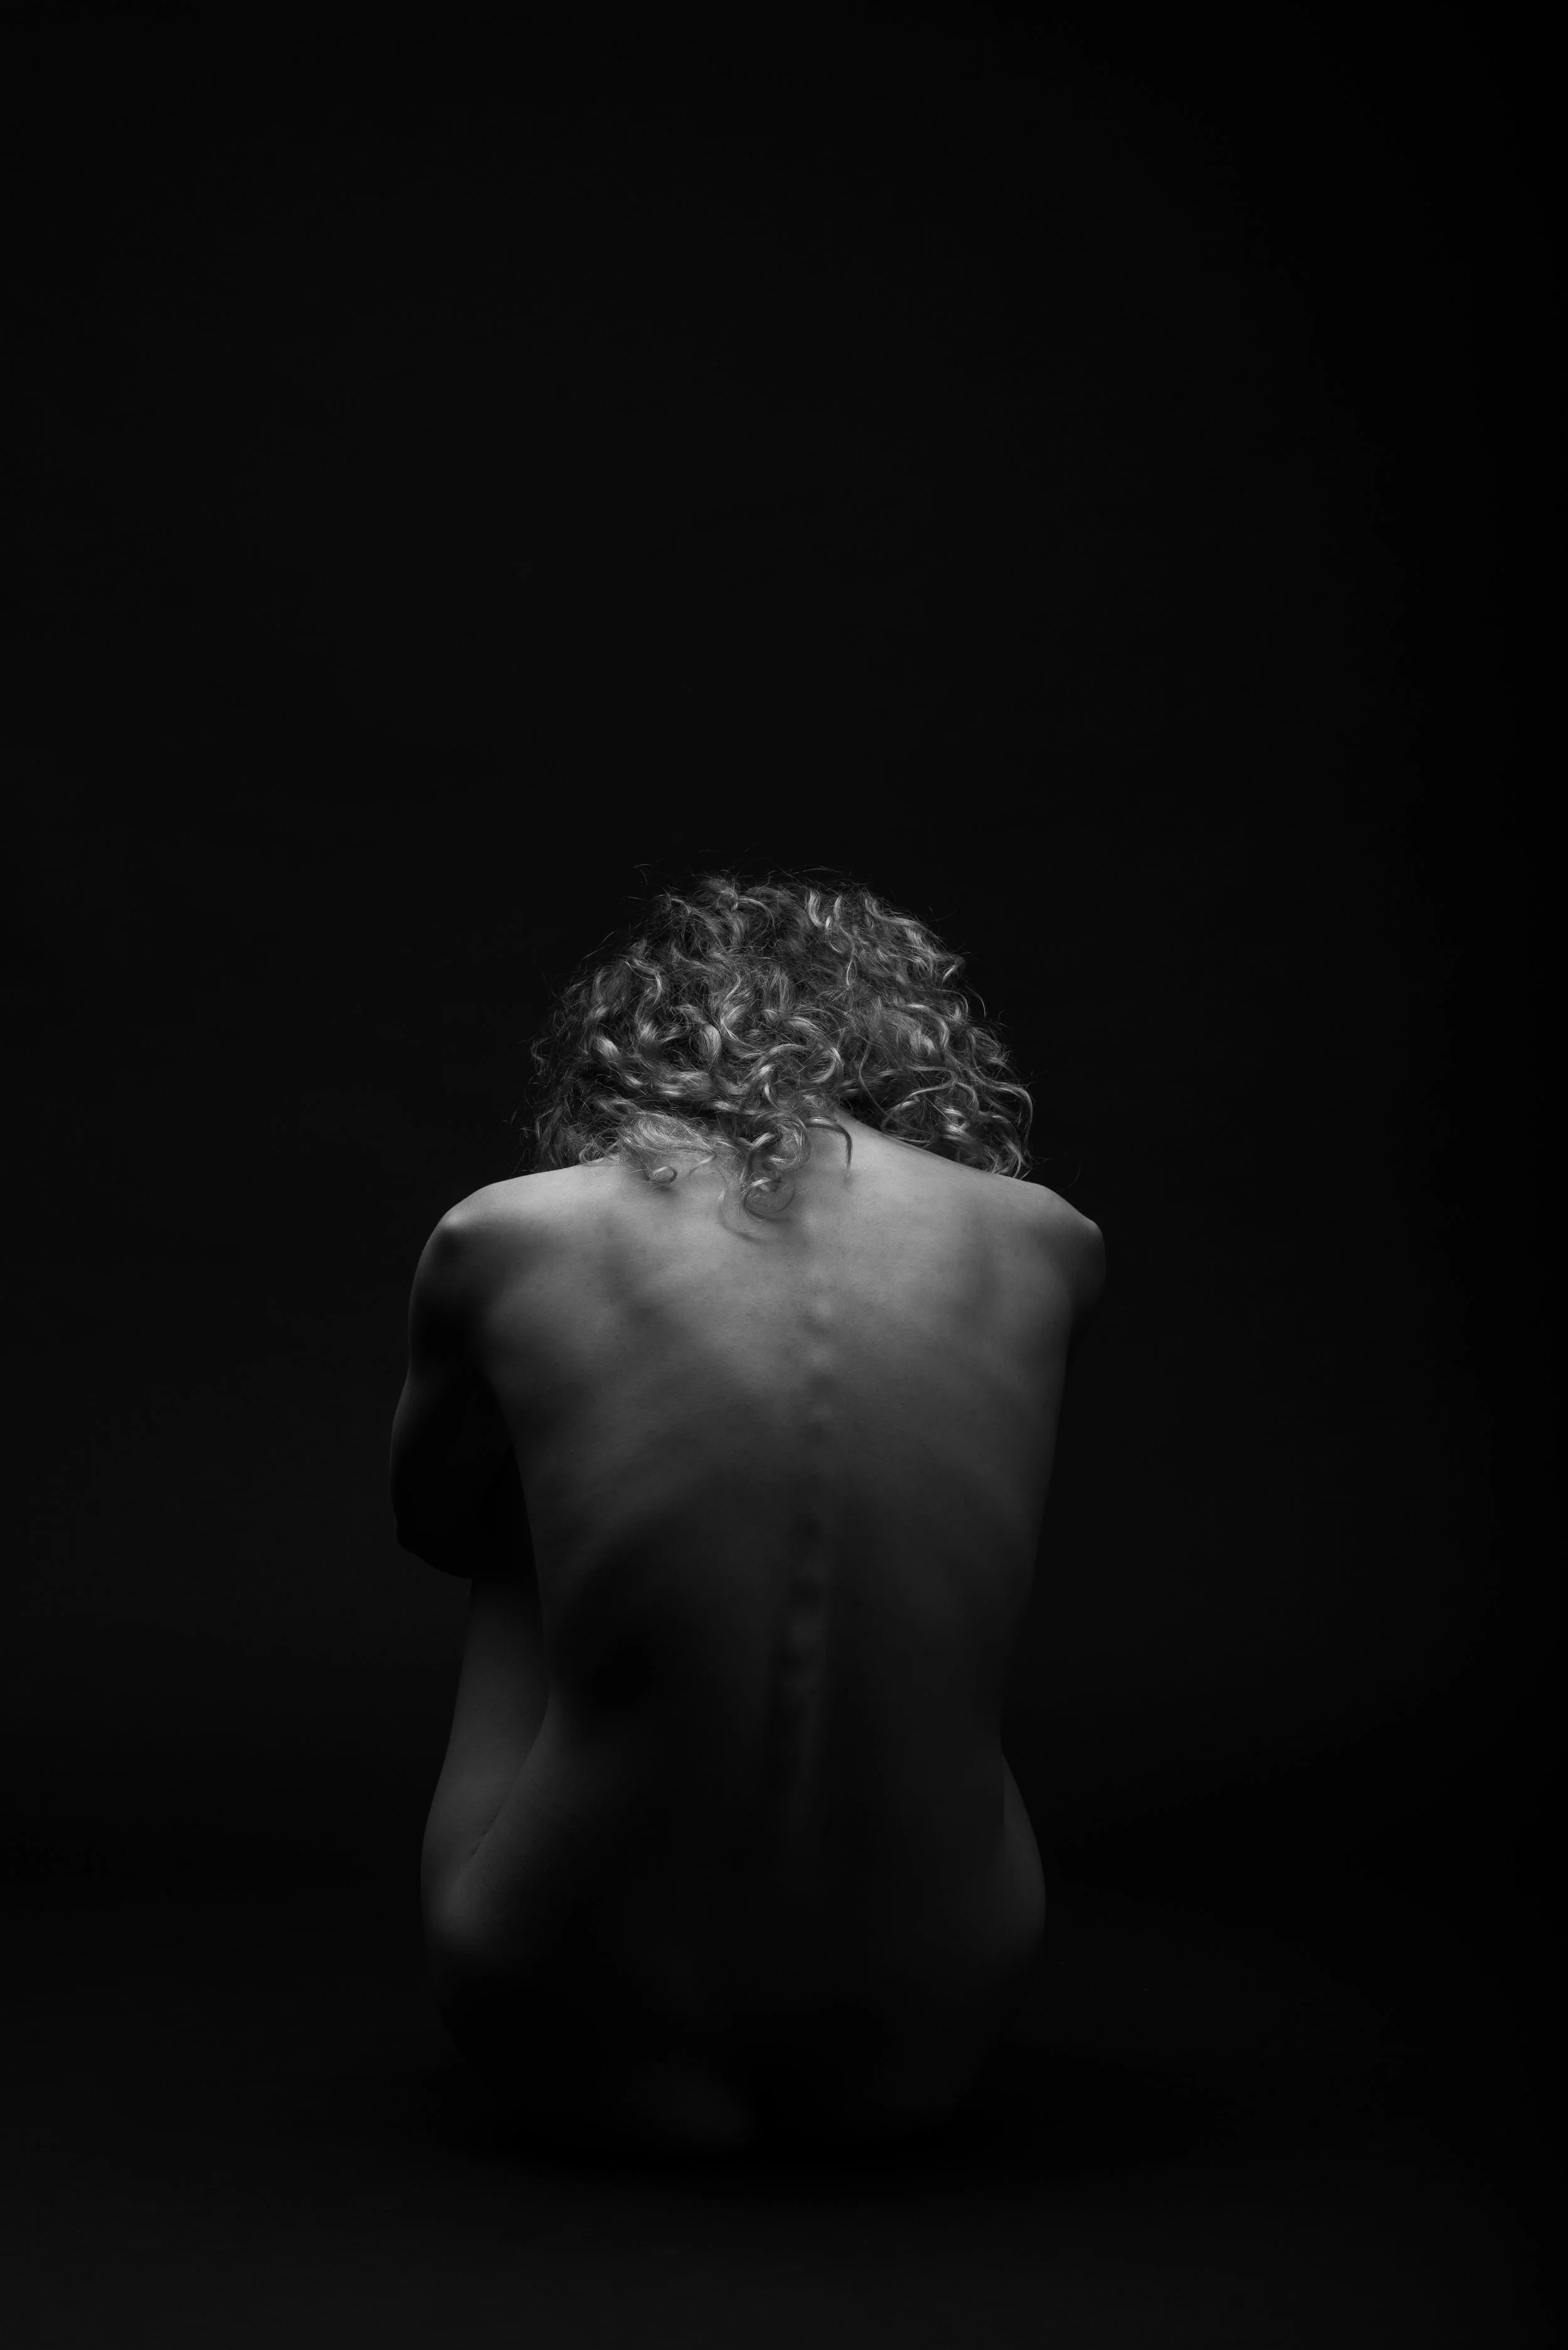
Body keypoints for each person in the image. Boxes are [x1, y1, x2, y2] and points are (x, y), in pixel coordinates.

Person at [389, 873, 1104, 2157]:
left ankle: (627, 1926)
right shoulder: (1051, 1241)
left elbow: (435, 1522)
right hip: (932, 2021)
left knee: (512, 1537)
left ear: (635, 1045)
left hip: (560, 1998)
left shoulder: (498, 1233)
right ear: (913, 1044)